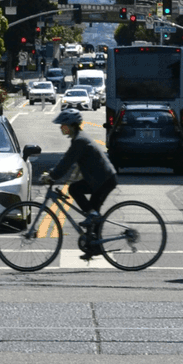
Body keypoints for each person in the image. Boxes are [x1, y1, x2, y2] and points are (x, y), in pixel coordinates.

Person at [40, 107, 118, 261]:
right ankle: (93, 246)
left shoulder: (80, 141)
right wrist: (53, 173)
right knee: (88, 207)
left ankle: (93, 224)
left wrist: (53, 176)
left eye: (63, 125)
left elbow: (66, 162)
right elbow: (68, 162)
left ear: (71, 125)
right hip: (99, 179)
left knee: (77, 192)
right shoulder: (78, 138)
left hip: (104, 180)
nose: (61, 128)